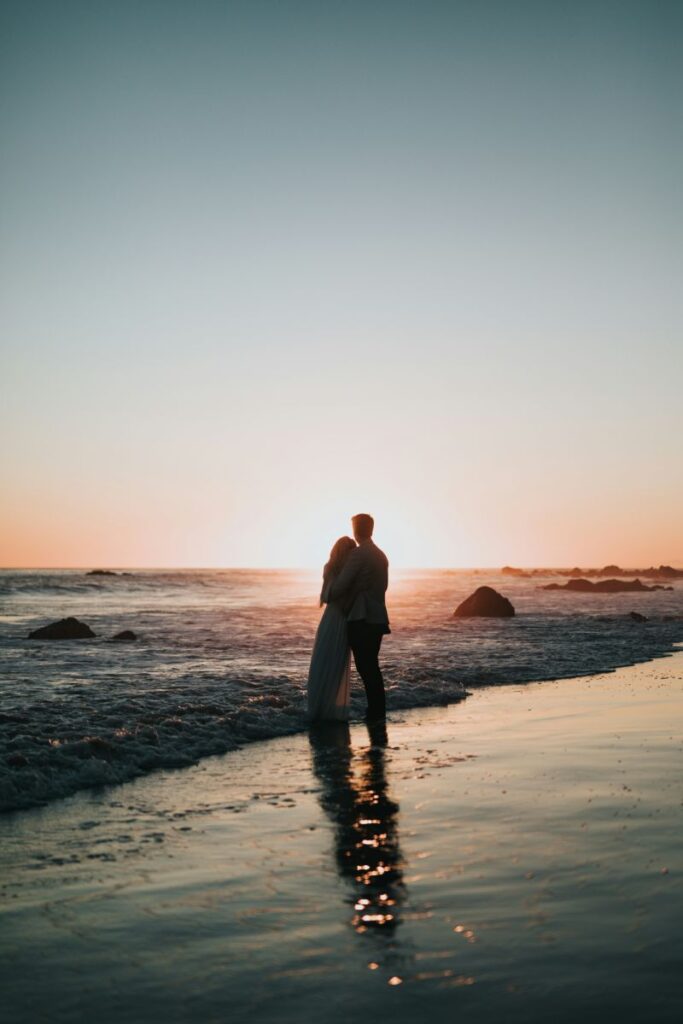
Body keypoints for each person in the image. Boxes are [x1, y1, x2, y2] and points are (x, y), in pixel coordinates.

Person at [327, 513, 390, 721]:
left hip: (361, 619)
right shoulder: (381, 555)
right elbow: (384, 587)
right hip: (378, 618)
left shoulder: (359, 554)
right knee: (372, 667)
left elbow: (340, 587)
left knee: (366, 668)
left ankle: (375, 713)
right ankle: (377, 711)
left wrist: (328, 590)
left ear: (356, 530)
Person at [307, 535, 356, 720]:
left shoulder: (346, 570)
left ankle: (325, 708)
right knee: (327, 661)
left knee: (330, 662)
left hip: (337, 618)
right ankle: (323, 708)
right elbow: (326, 596)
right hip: (337, 618)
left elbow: (327, 596)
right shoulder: (334, 569)